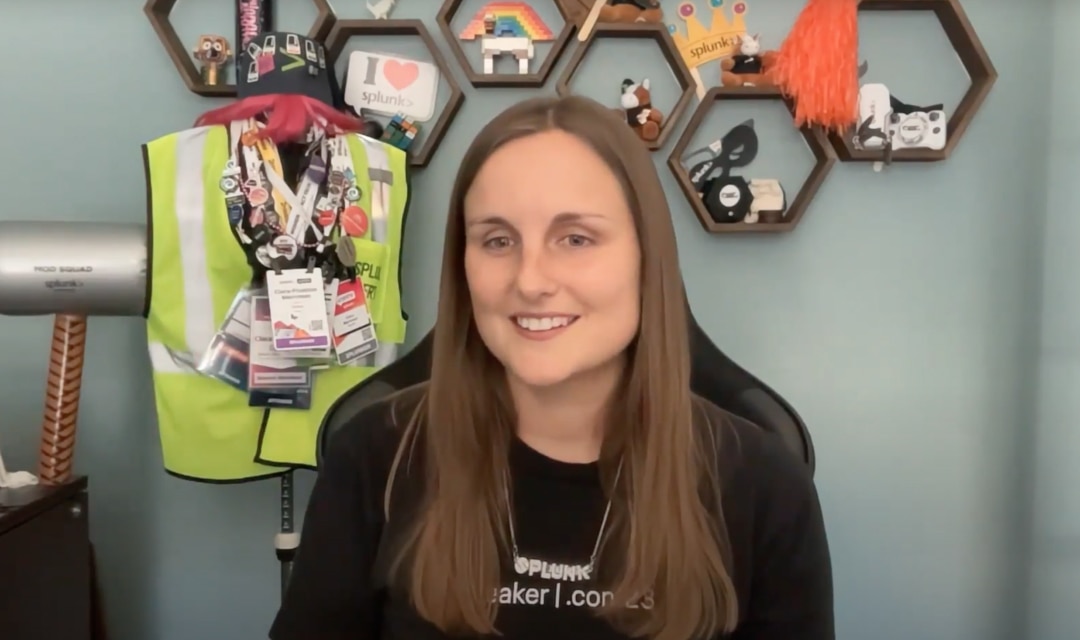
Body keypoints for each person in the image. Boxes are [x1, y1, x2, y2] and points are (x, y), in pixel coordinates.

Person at [268, 95, 834, 639]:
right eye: (497, 240)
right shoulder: (373, 459)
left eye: (576, 237)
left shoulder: (765, 488)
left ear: (646, 258)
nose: (531, 280)